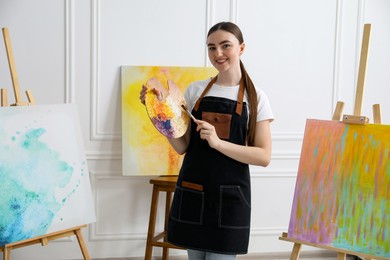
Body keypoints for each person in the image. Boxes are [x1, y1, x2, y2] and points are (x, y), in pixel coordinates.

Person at [140, 21, 274, 260]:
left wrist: (218, 142)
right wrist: (157, 113)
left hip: (230, 200)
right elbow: (182, 146)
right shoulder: (195, 91)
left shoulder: (257, 99)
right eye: (211, 47)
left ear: (241, 48)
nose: (218, 54)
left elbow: (263, 156)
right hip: (193, 192)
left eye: (225, 46)